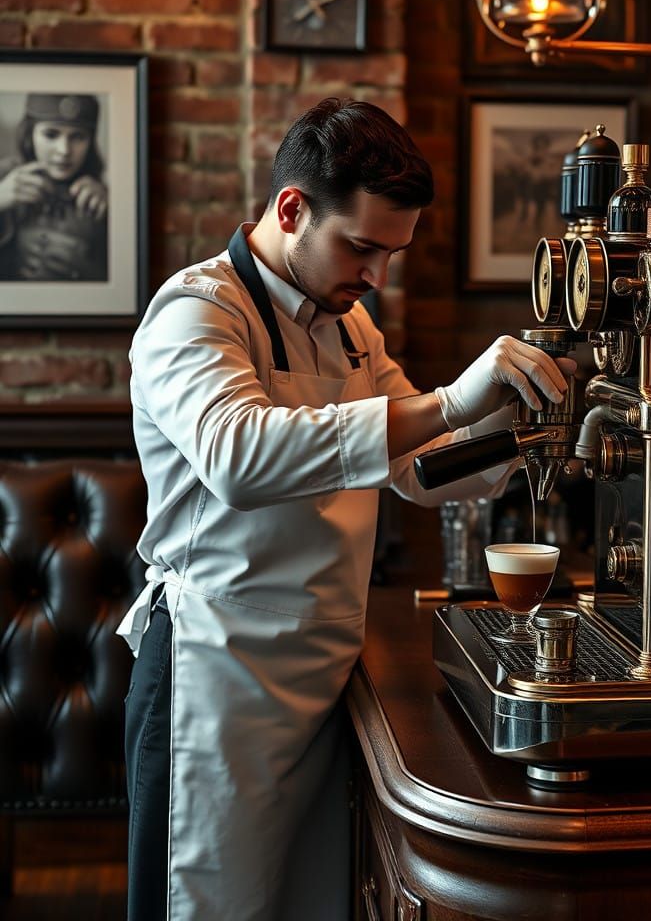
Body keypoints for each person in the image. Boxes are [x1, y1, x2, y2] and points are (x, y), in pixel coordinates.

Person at [117, 97, 574, 920]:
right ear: (292, 209)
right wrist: (449, 399)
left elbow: (420, 469)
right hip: (215, 678)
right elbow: (239, 456)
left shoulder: (351, 324)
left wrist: (525, 424)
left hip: (325, 670)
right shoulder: (196, 311)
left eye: (392, 254)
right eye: (362, 247)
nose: (377, 278)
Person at [0, 92, 108, 281]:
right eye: (51, 134)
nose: (64, 150)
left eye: (78, 136)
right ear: (29, 134)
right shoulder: (4, 177)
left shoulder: (106, 196)